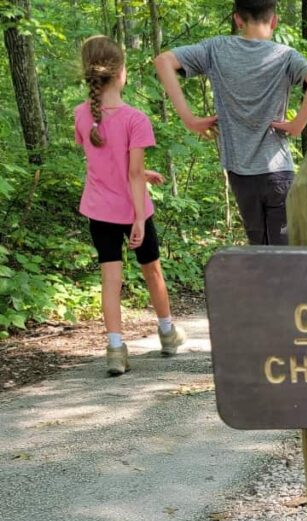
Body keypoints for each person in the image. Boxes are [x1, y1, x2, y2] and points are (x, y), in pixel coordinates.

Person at [154, 0, 307, 245]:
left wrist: (190, 120)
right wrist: (297, 124)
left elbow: (163, 61)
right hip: (278, 171)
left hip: (241, 174)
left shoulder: (216, 49)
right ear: (275, 20)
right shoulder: (285, 56)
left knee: (260, 252)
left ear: (237, 19)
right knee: (286, 255)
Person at [75, 36, 187, 376]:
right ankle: (167, 333)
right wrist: (138, 217)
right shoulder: (134, 118)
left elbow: (101, 163)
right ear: (120, 72)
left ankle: (114, 349)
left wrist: (140, 174)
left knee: (110, 279)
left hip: (98, 210)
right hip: (131, 210)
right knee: (152, 270)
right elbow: (133, 172)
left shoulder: (82, 115)